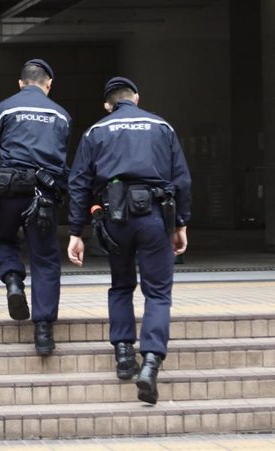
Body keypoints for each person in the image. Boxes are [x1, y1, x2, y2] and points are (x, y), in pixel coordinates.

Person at [67, 76, 191, 405]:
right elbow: (181, 178)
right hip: (155, 217)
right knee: (158, 292)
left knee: (121, 285)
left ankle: (124, 354)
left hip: (115, 217)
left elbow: (79, 181)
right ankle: (150, 361)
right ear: (136, 97)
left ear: (108, 104)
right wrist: (181, 224)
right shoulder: (162, 127)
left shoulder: (96, 131)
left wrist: (76, 231)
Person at [0, 59, 71, 356]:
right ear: (49, 84)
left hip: (9, 185)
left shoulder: (4, 108)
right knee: (45, 257)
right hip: (44, 192)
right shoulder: (61, 114)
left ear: (20, 83)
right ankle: (44, 331)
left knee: (5, 239)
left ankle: (12, 280)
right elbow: (61, 157)